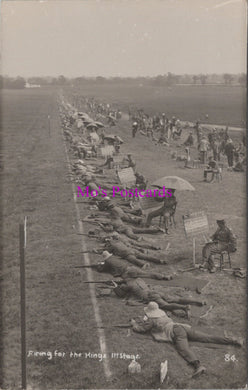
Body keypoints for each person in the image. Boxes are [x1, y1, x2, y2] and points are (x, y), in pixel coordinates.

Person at [131, 302, 243, 378]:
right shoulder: (162, 314)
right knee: (206, 337)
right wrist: (145, 319)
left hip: (176, 332)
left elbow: (142, 329)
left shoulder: (151, 320)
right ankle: (233, 340)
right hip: (181, 326)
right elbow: (150, 320)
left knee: (183, 349)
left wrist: (134, 324)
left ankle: (198, 366)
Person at [94, 250, 173, 280]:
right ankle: (164, 276)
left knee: (144, 277)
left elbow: (101, 270)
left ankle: (162, 277)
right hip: (130, 267)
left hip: (126, 273)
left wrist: (98, 265)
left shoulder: (107, 261)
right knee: (147, 274)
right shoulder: (114, 258)